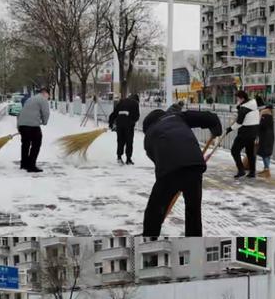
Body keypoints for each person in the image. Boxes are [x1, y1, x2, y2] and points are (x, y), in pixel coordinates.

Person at [142, 108, 223, 237]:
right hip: (194, 165)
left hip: (169, 170)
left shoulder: (149, 137)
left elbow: (158, 162)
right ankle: (194, 242)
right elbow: (210, 117)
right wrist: (216, 130)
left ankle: (149, 239)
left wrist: (166, 193)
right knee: (193, 211)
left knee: (154, 211)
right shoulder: (178, 117)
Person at [226, 91, 260, 179]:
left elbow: (239, 123)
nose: (236, 100)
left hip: (245, 132)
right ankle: (252, 172)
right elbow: (248, 116)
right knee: (249, 152)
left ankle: (241, 170)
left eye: (237, 98)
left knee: (234, 150)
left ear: (242, 98)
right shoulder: (253, 105)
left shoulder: (244, 108)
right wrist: (239, 109)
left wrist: (230, 129)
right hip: (253, 132)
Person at [17, 87, 50, 173]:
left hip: (22, 124)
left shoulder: (30, 99)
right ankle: (31, 166)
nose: (48, 97)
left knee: (25, 144)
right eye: (48, 96)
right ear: (45, 93)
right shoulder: (42, 99)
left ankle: (24, 164)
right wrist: (44, 121)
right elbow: (46, 112)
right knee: (36, 144)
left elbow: (22, 112)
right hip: (32, 126)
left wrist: (19, 126)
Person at [109, 94, 140, 165]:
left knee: (120, 140)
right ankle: (128, 159)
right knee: (129, 142)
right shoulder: (135, 103)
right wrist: (132, 122)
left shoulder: (121, 102)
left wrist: (111, 124)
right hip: (128, 125)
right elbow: (137, 116)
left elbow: (113, 114)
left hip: (119, 124)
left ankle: (119, 157)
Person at [256, 104, 275, 179]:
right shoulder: (270, 116)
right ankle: (266, 169)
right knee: (267, 153)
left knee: (265, 154)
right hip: (269, 137)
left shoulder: (265, 116)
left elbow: (261, 126)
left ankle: (267, 171)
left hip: (265, 137)